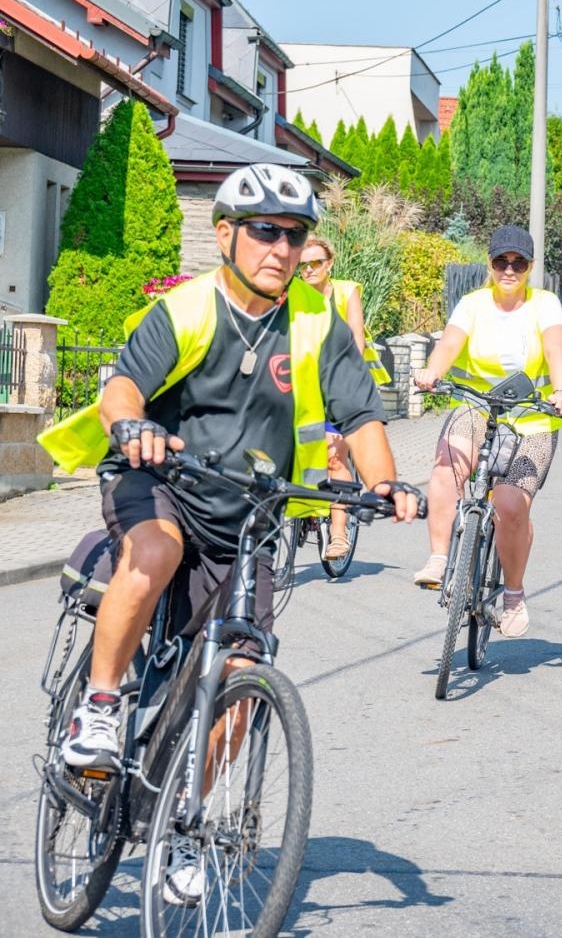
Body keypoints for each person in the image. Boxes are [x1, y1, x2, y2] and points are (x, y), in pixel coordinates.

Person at [40, 164, 421, 900]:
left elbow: (363, 414)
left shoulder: (316, 320)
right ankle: (100, 706)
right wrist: (130, 423)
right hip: (161, 482)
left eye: (296, 234)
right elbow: (125, 383)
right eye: (265, 231)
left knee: (243, 685)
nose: (281, 247)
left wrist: (384, 482)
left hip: (249, 513)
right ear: (227, 235)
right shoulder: (189, 308)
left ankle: (179, 826)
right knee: (156, 549)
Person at [410, 227, 562, 638]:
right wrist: (433, 370)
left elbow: (556, 351)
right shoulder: (473, 304)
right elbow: (450, 344)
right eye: (501, 262)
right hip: (476, 406)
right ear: (490, 264)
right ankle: (438, 558)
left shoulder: (545, 304)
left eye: (518, 263)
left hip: (532, 417)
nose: (509, 270)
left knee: (510, 503)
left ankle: (514, 596)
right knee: (447, 467)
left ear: (530, 267)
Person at [298, 237, 390, 565]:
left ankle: (339, 532)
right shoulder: (294, 295)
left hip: (342, 380)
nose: (308, 270)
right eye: (303, 265)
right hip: (304, 381)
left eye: (316, 264)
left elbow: (356, 338)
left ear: (329, 265)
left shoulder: (345, 291)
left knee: (335, 454)